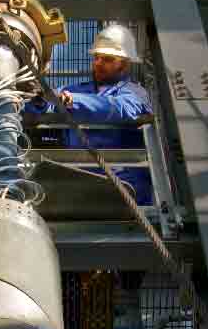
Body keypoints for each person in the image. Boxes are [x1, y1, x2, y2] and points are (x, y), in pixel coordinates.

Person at [28, 22, 153, 203]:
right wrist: (38, 99)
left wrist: (71, 100)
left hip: (124, 184)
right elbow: (46, 106)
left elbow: (119, 108)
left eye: (108, 59)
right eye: (97, 57)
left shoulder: (134, 92)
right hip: (75, 176)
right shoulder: (75, 89)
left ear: (124, 65)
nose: (99, 63)